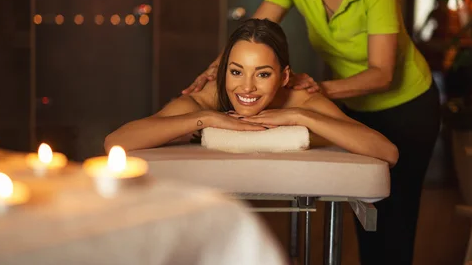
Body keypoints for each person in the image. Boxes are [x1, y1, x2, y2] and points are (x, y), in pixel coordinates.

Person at [182, 0, 441, 265]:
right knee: (364, 209)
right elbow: (254, 29)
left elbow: (382, 73)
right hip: (357, 107)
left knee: (397, 219)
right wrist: (214, 71)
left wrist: (318, 90)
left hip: (409, 107)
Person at [106, 19, 398, 167]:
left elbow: (388, 152)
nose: (246, 87)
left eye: (262, 74)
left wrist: (299, 116)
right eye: (236, 71)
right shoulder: (206, 99)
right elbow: (115, 142)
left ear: (284, 76)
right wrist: (207, 119)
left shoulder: (300, 99)